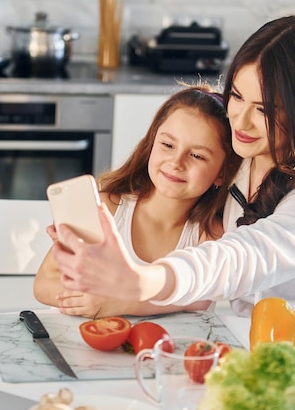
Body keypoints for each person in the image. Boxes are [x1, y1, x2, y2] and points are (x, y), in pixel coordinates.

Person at [50, 15, 295, 352]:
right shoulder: (238, 157)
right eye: (237, 96)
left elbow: (241, 256)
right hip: (267, 349)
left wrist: (142, 282)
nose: (240, 120)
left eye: (264, 109)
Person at [33, 84, 242, 318]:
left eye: (197, 155)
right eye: (168, 145)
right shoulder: (106, 211)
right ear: (151, 144)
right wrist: (90, 300)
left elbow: (200, 299)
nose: (176, 162)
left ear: (222, 174)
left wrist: (119, 303)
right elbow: (43, 283)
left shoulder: (210, 234)